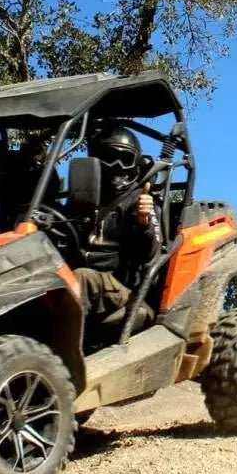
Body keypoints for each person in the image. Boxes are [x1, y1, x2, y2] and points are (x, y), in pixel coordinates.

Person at [75, 124, 161, 328]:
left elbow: (150, 255)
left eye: (125, 159)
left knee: (82, 278)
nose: (116, 165)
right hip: (90, 291)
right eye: (108, 156)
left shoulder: (140, 201)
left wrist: (144, 223)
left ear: (136, 163)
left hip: (126, 294)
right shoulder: (81, 202)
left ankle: (59, 347)